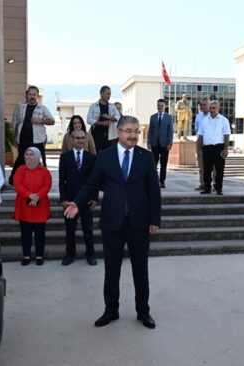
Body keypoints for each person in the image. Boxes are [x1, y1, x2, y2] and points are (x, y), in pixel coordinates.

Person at [64, 116, 161, 329]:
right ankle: (111, 310)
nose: (133, 135)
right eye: (128, 130)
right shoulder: (104, 156)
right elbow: (91, 184)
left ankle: (143, 312)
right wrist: (77, 204)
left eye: (136, 131)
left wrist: (155, 219)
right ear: (118, 132)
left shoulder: (146, 157)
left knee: (140, 270)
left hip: (139, 223)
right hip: (112, 223)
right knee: (112, 270)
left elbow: (154, 190)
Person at [59, 130, 98, 266]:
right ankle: (70, 254)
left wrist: (94, 198)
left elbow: (95, 181)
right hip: (70, 201)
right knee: (70, 230)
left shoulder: (91, 158)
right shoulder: (65, 158)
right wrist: (63, 199)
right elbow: (61, 181)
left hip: (87, 201)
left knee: (88, 229)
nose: (80, 140)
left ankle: (91, 254)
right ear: (72, 139)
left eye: (82, 138)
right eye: (77, 138)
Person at [8, 85, 54, 185]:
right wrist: (14, 138)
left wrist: (41, 120)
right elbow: (14, 123)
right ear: (26, 95)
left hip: (37, 140)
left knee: (39, 160)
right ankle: (13, 179)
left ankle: (43, 181)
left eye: (34, 94)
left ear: (37, 96)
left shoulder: (42, 108)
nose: (32, 96)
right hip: (23, 139)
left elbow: (52, 121)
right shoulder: (20, 107)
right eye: (30, 94)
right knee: (21, 159)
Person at [13, 147, 51, 266]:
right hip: (25, 205)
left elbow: (47, 185)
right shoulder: (20, 170)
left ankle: (39, 255)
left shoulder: (44, 171)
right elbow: (17, 184)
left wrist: (38, 196)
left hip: (40, 206)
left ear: (37, 156)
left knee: (40, 233)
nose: (29, 157)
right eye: (27, 154)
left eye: (32, 154)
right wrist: (29, 195)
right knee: (25, 233)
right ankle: (26, 255)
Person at [196, 101, 230, 195]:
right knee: (207, 170)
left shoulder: (224, 120)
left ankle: (219, 189)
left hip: (219, 147)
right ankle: (207, 188)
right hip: (207, 148)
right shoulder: (204, 121)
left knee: (219, 170)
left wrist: (226, 148)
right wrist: (199, 149)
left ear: (218, 109)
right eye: (210, 108)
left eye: (214, 108)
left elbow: (226, 135)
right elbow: (201, 136)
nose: (212, 110)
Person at [147, 98, 174, 188]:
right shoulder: (153, 117)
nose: (160, 107)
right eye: (158, 105)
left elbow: (170, 131)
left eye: (161, 106)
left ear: (165, 106)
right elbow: (150, 130)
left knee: (163, 163)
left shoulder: (169, 117)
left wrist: (170, 143)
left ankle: (162, 181)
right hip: (154, 143)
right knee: (153, 164)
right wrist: (149, 142)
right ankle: (154, 180)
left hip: (165, 144)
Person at [87, 85, 120, 152]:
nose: (109, 96)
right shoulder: (93, 106)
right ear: (101, 93)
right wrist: (101, 123)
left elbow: (118, 117)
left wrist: (109, 117)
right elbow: (89, 119)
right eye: (107, 94)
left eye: (110, 94)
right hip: (96, 135)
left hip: (110, 136)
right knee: (97, 153)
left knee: (108, 154)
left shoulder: (112, 106)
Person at [194, 98, 210, 191]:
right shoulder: (198, 116)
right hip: (200, 142)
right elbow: (197, 130)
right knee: (201, 165)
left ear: (208, 105)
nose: (203, 107)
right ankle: (202, 184)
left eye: (205, 105)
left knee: (213, 166)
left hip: (209, 142)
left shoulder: (212, 116)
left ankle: (214, 184)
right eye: (202, 105)